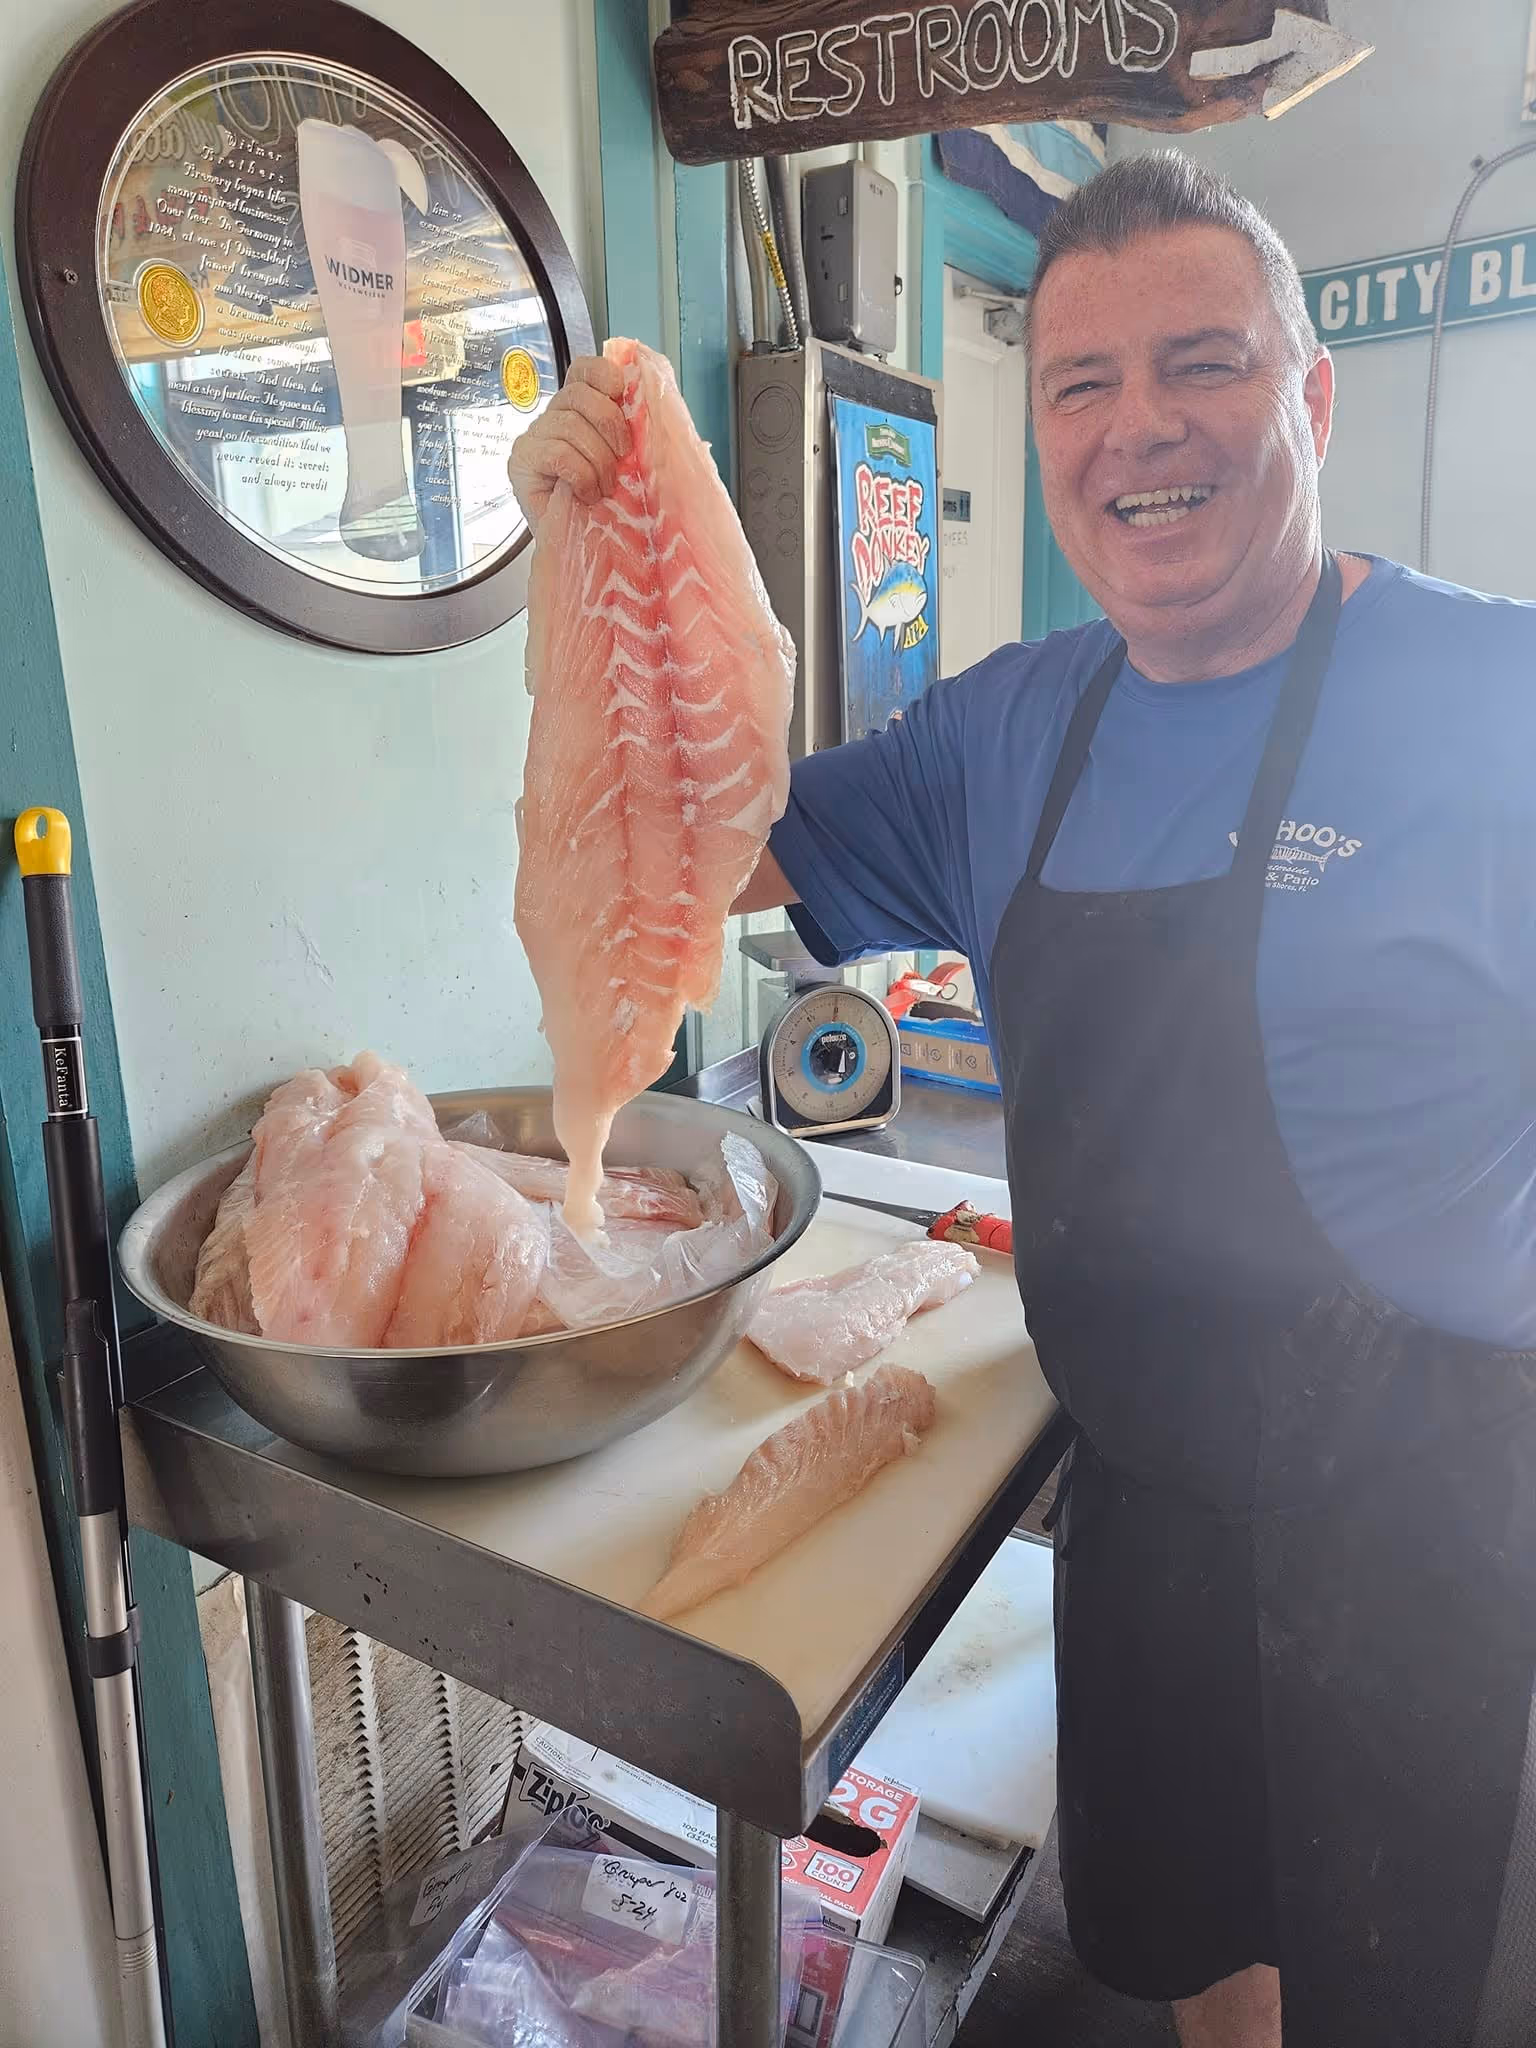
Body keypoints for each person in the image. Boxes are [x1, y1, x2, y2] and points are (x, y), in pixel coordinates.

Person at [509, 151, 1536, 2047]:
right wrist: (586, 539)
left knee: (1399, 1983)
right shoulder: (1012, 729)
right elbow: (686, 849)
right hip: (1135, 1490)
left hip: (1424, 1514)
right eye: (1083, 383)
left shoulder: (1493, 698)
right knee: (1183, 1933)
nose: (1140, 428)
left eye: (1203, 365)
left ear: (1311, 399)